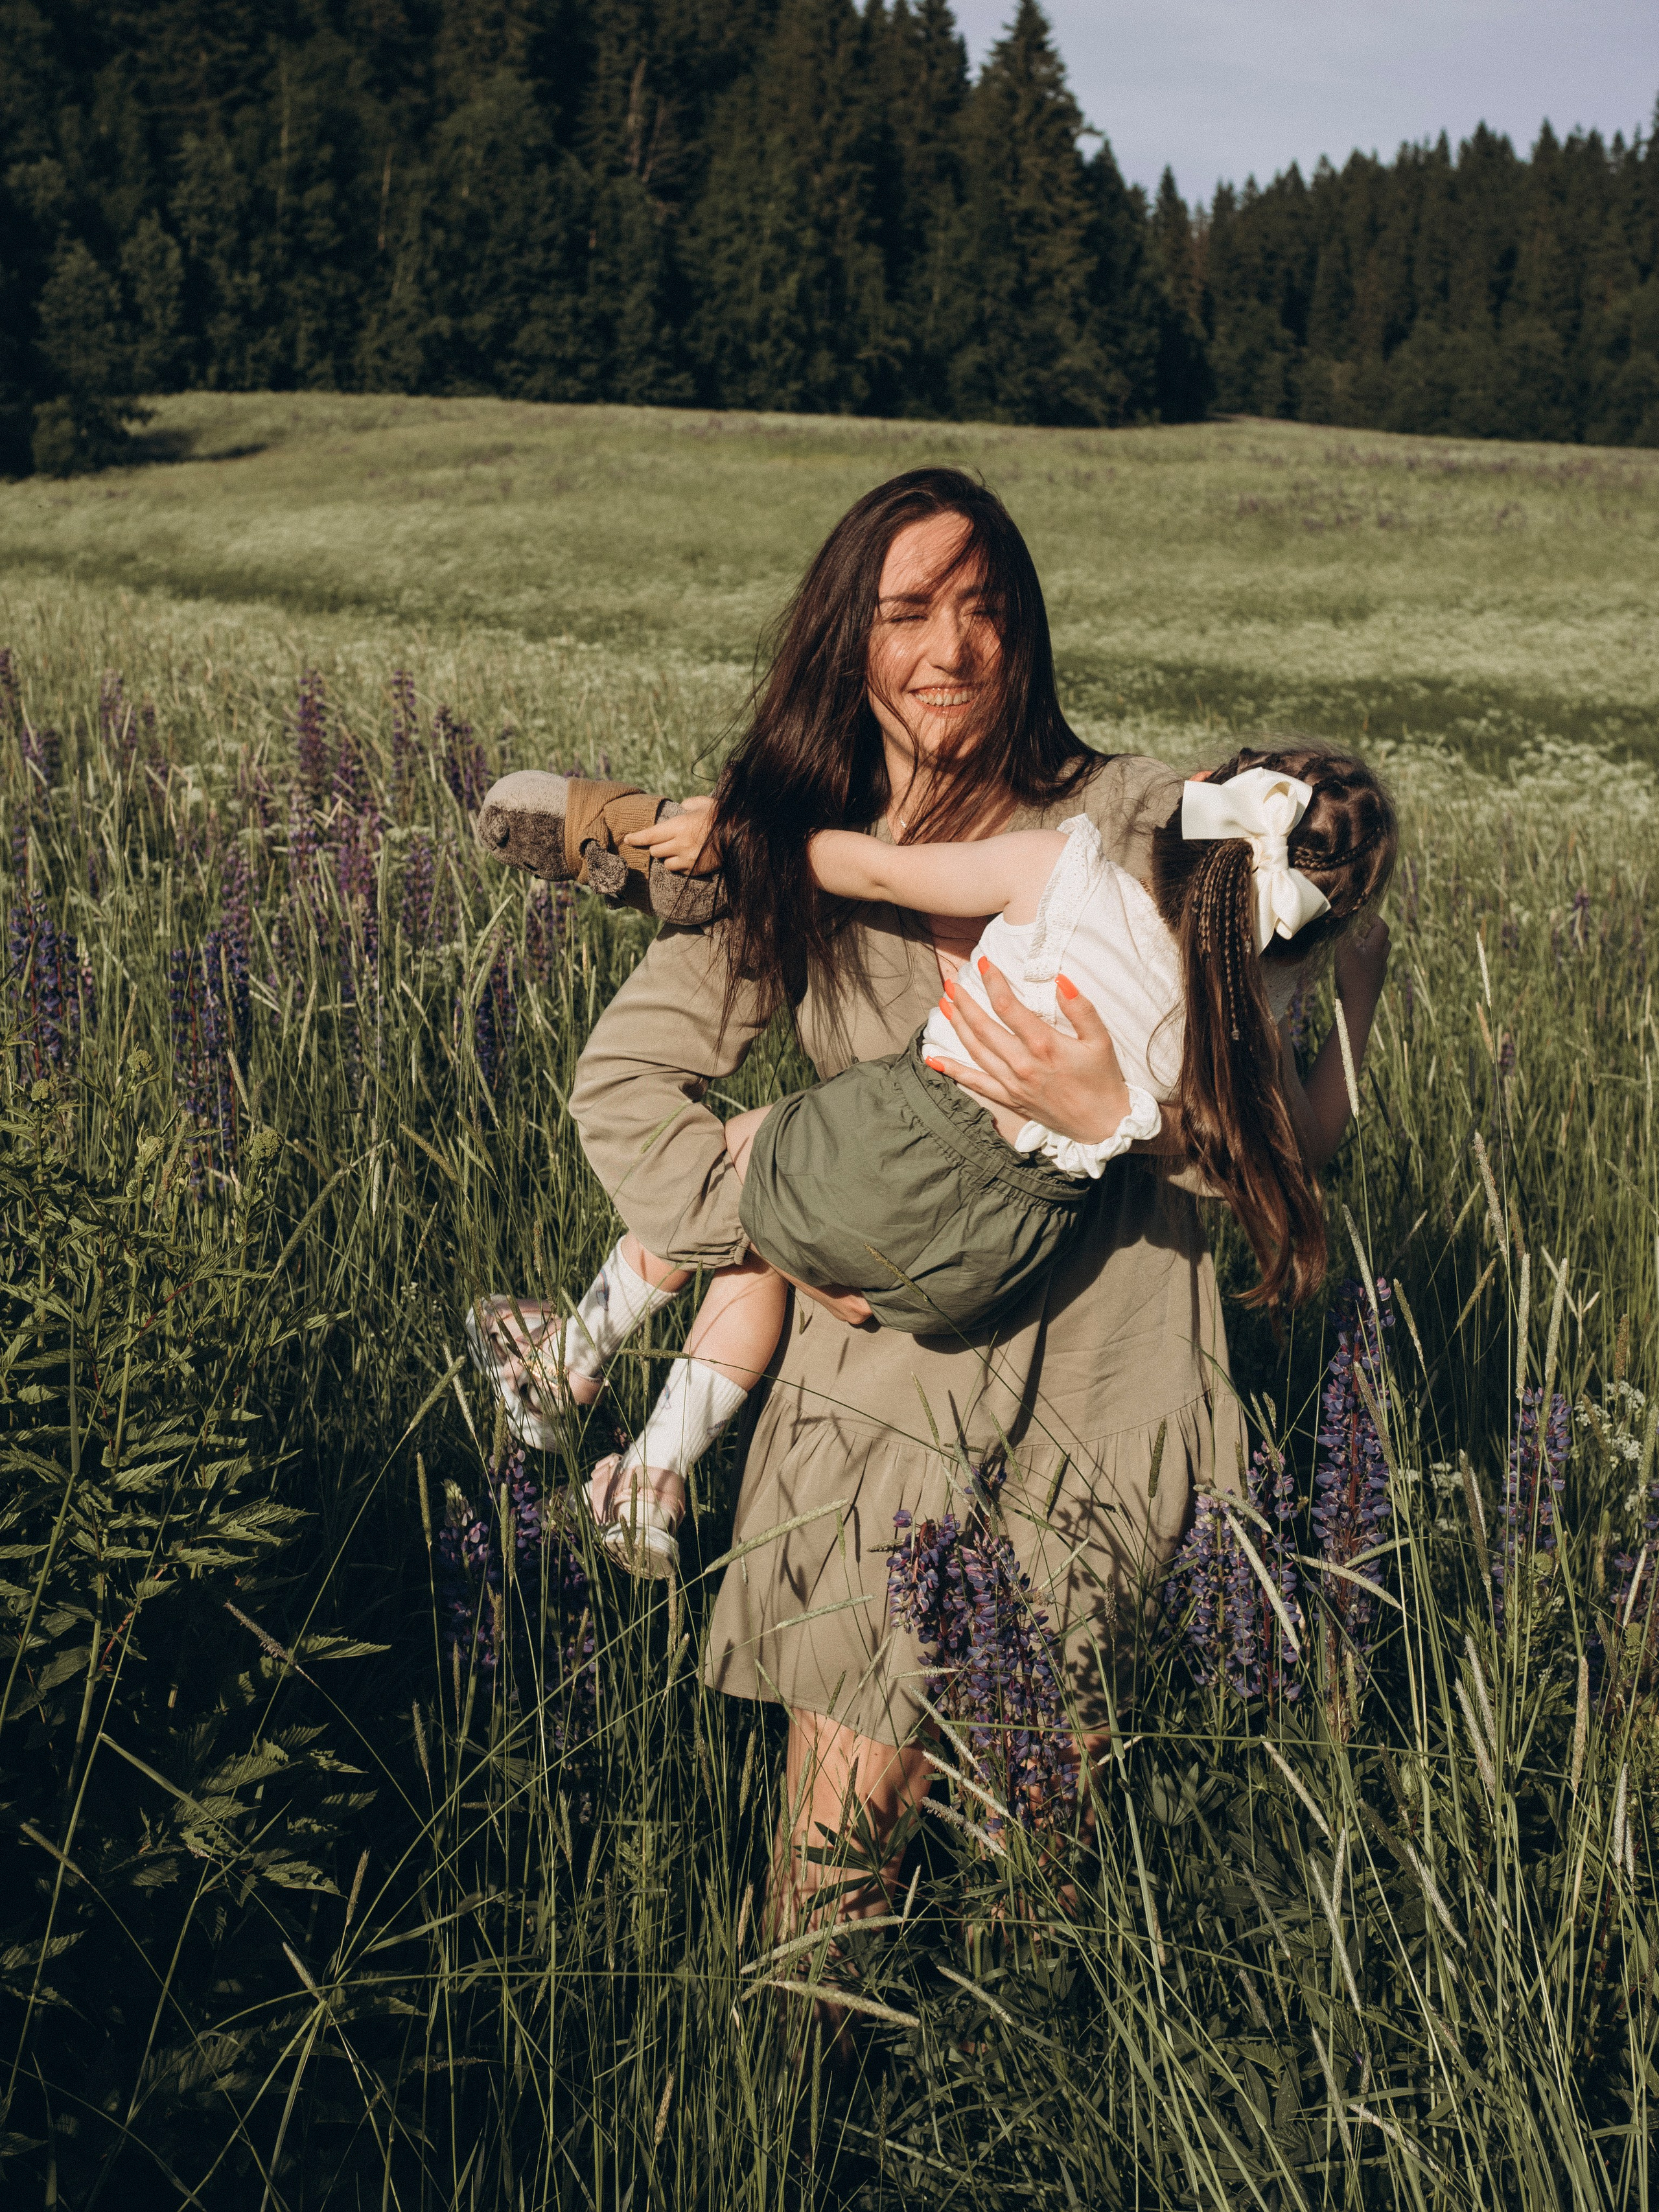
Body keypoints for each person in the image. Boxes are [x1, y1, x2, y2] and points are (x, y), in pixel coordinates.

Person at [469, 466, 1390, 1926]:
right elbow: (626, 1088)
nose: (950, 647)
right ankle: (792, 2081)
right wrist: (775, 1231)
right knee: (835, 1866)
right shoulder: (794, 855)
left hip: (1103, 1403)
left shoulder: (1130, 816)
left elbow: (1286, 1130)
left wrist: (1121, 1116)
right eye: (906, 612)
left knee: (1043, 1887)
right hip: (883, 1417)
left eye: (982, 608)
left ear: (1025, 629)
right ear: (848, 639)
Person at [470, 752, 1395, 1579]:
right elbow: (1308, 1140)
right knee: (769, 1245)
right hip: (996, 1257)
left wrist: (747, 837)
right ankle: (641, 1472)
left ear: (1199, 796)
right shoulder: (1238, 1018)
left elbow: (871, 868)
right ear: (1294, 935)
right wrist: (1361, 992)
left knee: (737, 1167)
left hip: (902, 1145)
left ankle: (576, 1374)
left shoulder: (1060, 867)